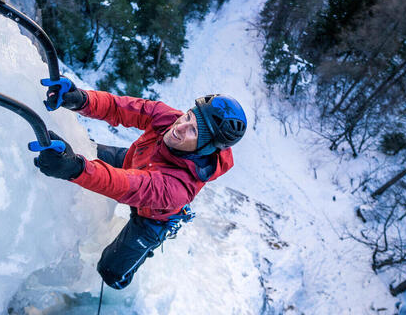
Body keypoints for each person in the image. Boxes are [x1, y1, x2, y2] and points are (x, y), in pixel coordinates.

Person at [34, 79, 248, 289]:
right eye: (188, 116)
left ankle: (142, 250)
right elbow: (118, 108)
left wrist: (75, 169)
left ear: (205, 148)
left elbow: (126, 186)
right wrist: (80, 99)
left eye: (193, 131)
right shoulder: (168, 118)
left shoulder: (179, 187)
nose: (180, 127)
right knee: (80, 151)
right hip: (134, 163)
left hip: (152, 215)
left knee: (111, 273)